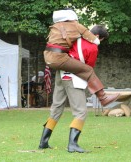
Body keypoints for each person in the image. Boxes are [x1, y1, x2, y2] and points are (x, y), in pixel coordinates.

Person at [39, 25, 108, 153]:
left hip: (60, 75)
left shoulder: (75, 39)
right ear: (97, 37)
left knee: (56, 108)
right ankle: (73, 145)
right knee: (81, 112)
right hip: (74, 78)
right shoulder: (93, 46)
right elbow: (88, 68)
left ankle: (43, 142)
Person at [43, 9, 120, 107]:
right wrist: (96, 41)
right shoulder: (76, 26)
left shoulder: (56, 27)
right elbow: (93, 40)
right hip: (60, 59)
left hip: (49, 57)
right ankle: (103, 98)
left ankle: (51, 121)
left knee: (57, 105)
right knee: (88, 70)